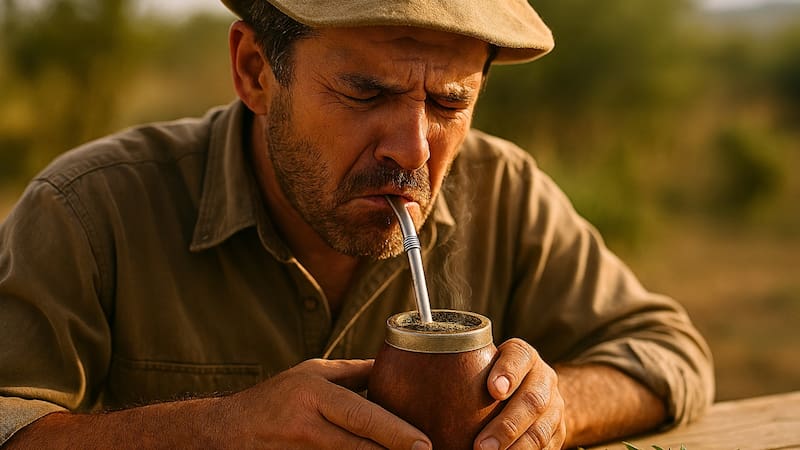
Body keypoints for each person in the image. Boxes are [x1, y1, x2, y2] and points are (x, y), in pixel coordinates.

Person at [0, 0, 714, 448]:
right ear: (255, 71)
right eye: (365, 92)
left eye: (449, 102)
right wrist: (218, 429)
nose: (413, 150)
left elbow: (669, 353)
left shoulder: (503, 190)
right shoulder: (90, 208)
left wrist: (553, 409)